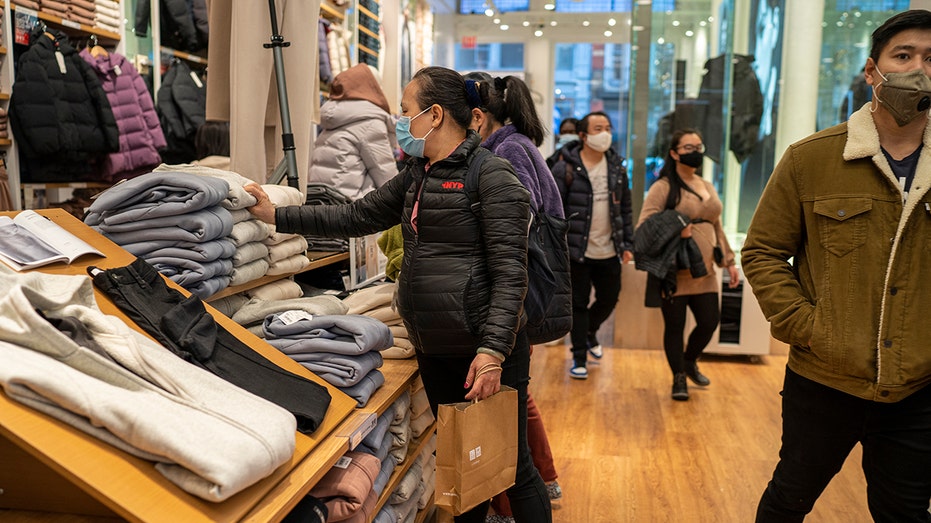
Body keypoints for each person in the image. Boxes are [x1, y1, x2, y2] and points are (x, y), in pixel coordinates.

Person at [245, 66, 552, 523]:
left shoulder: (493, 176)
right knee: (464, 456)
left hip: (480, 351)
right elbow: (355, 217)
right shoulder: (416, 175)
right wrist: (278, 217)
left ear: (434, 115)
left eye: (405, 111)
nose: (400, 121)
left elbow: (511, 275)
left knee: (513, 467)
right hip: (434, 347)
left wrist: (491, 353)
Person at [741, 10, 931, 521]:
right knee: (788, 499)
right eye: (904, 56)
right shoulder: (811, 159)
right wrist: (809, 328)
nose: (919, 70)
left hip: (918, 388)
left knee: (906, 512)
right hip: (824, 379)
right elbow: (761, 251)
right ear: (873, 71)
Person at [464, 71, 563, 521]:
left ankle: (511, 502)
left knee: (508, 403)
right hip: (519, 290)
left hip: (515, 291)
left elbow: (517, 217)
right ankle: (535, 484)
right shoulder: (516, 143)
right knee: (514, 402)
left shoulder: (507, 149)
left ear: (478, 115)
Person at [636, 129, 739, 401]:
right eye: (688, 147)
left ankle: (689, 361)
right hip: (675, 271)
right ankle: (678, 377)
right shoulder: (664, 186)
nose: (695, 151)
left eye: (699, 145)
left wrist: (729, 261)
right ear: (674, 152)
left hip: (705, 269)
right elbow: (645, 226)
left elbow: (716, 224)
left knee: (709, 321)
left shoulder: (707, 184)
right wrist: (675, 227)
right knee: (675, 327)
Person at [551, 111, 634, 379]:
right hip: (577, 251)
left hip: (610, 249)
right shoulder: (565, 168)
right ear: (584, 136)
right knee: (578, 304)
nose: (605, 133)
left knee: (610, 298)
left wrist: (628, 243)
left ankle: (589, 333)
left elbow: (627, 209)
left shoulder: (618, 167)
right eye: (599, 128)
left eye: (608, 127)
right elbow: (554, 211)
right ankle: (578, 357)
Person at [309, 63, 398, 201]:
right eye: (377, 85)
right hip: (351, 206)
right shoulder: (370, 122)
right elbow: (386, 176)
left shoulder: (334, 118)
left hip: (321, 200)